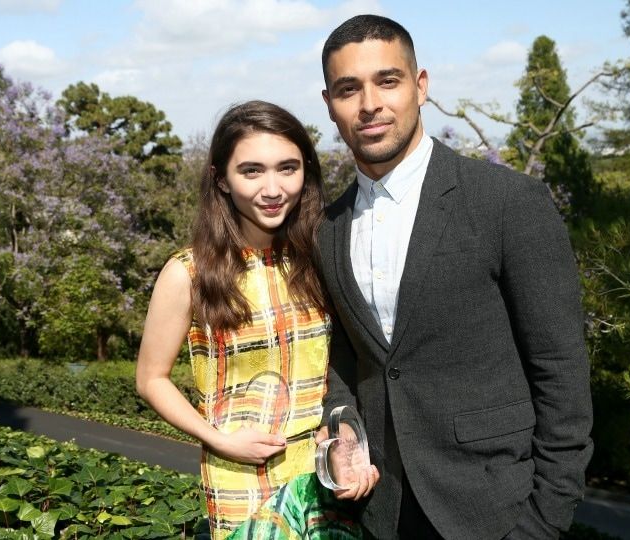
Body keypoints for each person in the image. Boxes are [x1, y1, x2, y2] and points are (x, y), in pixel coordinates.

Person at [315, 14, 594, 540]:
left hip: (497, 509)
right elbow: (346, 360)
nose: (369, 102)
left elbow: (561, 371)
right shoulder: (328, 228)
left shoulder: (508, 202)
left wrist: (544, 521)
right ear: (330, 103)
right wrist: (344, 430)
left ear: (420, 86)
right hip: (380, 511)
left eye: (387, 80)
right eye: (349, 88)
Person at [136, 100, 371, 540]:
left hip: (325, 471)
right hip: (240, 476)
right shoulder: (188, 274)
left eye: (287, 168)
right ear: (221, 180)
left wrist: (345, 436)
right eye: (251, 171)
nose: (273, 188)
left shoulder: (321, 260)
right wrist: (219, 439)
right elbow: (151, 379)